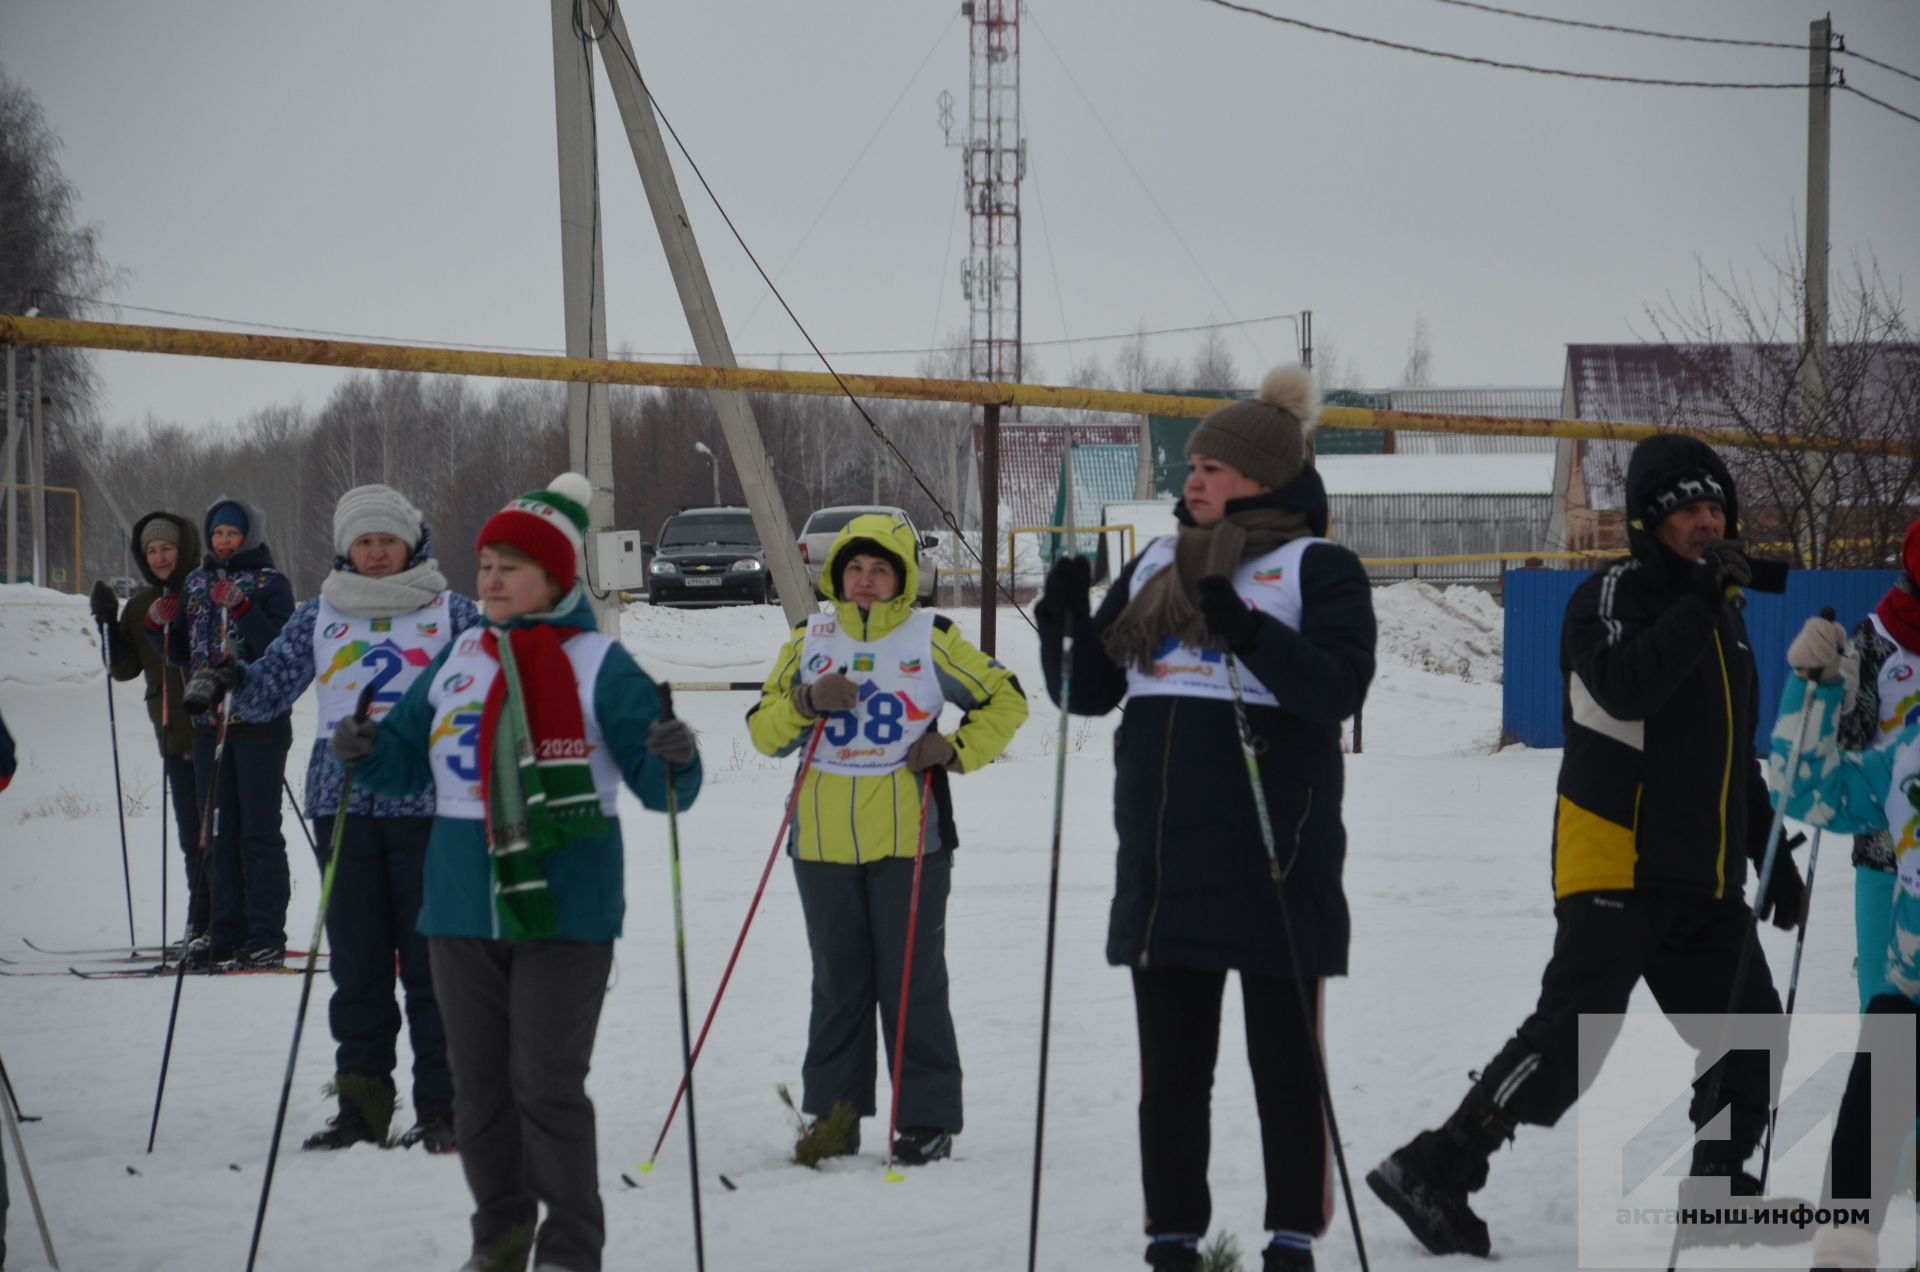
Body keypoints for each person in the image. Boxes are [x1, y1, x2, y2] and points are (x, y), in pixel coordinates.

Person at [1366, 433, 1807, 1258]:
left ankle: (1717, 1184)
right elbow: (1626, 684)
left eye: (1717, 508)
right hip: (1616, 861)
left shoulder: (1725, 621)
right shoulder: (1613, 596)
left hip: (1702, 878)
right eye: (1688, 511)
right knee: (1575, 1036)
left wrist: (1768, 850)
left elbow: (1728, 749)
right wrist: (1700, 601)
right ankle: (1438, 1165)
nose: (1708, 524)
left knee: (1752, 1029)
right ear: (1651, 522)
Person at [1035, 367, 1376, 1272]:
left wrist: (1252, 631)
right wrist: (1058, 624)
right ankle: (1173, 1237)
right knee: (1173, 1077)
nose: (1195, 480)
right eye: (1193, 466)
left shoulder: (1318, 567)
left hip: (1276, 853)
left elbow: (1338, 691)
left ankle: (1292, 1237)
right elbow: (1091, 691)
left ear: (1264, 479)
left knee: (1284, 1069)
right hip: (1166, 858)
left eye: (1217, 467)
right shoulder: (1155, 562)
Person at [331, 474, 700, 1272]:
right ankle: (498, 1239)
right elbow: (401, 764)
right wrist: (366, 748)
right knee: (480, 1096)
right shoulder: (459, 655)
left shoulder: (602, 663)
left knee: (545, 1086)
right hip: (461, 909)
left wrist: (676, 755)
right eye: (486, 564)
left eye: (510, 567)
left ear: (556, 579)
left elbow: (662, 786)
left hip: (566, 910)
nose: (491, 580)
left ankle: (570, 1250)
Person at [199, 485, 480, 1155]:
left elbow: (497, 686)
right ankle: (362, 1108)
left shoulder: (453, 611)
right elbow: (269, 693)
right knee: (356, 967)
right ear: (345, 548)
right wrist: (230, 678)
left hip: (430, 806)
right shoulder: (319, 613)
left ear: (412, 542)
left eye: (388, 539)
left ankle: (446, 1108)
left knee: (431, 967)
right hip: (342, 805)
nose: (377, 553)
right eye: (365, 541)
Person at [746, 512, 1028, 1167]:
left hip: (910, 839)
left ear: (902, 577)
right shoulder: (809, 637)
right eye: (854, 567)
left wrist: (954, 749)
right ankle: (836, 1118)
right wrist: (808, 700)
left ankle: (925, 1120)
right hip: (818, 843)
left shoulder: (931, 635)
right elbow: (764, 731)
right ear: (836, 573)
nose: (865, 581)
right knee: (838, 984)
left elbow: (1007, 700)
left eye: (880, 569)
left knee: (912, 983)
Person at [1771, 612, 1920, 1269]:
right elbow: (1810, 790)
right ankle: (1843, 1247)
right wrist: (1813, 687)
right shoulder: (1912, 753)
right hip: (1909, 993)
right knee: (1889, 1024)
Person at [150, 496, 297, 970]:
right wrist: (161, 625)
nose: (225, 542)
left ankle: (265, 933)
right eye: (217, 534)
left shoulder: (271, 583)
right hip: (207, 724)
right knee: (216, 833)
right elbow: (182, 654)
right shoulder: (196, 583)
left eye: (233, 533)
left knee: (257, 832)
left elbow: (279, 646)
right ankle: (222, 929)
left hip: (259, 723)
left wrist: (243, 606)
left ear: (249, 536)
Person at [91, 511, 204, 949]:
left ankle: (228, 922)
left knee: (215, 835)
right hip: (172, 733)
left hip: (215, 732)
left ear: (184, 549)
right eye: (150, 550)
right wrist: (105, 622)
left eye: (166, 548)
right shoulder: (139, 607)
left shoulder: (203, 592)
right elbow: (122, 669)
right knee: (189, 834)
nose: (158, 557)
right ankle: (200, 921)